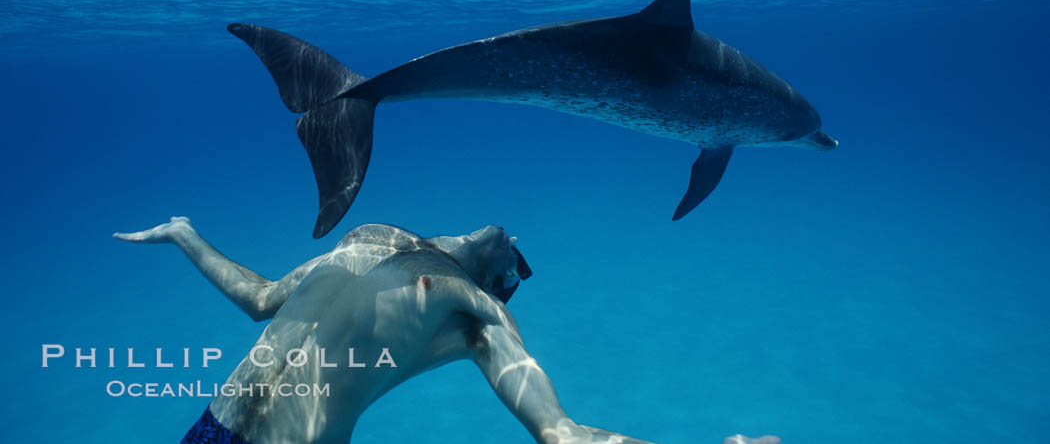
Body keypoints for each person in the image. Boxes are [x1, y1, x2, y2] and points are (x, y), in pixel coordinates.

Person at [115, 217, 779, 444]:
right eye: (517, 266)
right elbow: (262, 299)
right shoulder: (376, 240)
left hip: (210, 429)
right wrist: (186, 237)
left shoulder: (468, 313)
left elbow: (559, 432)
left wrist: (187, 237)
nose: (512, 253)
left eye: (513, 271)